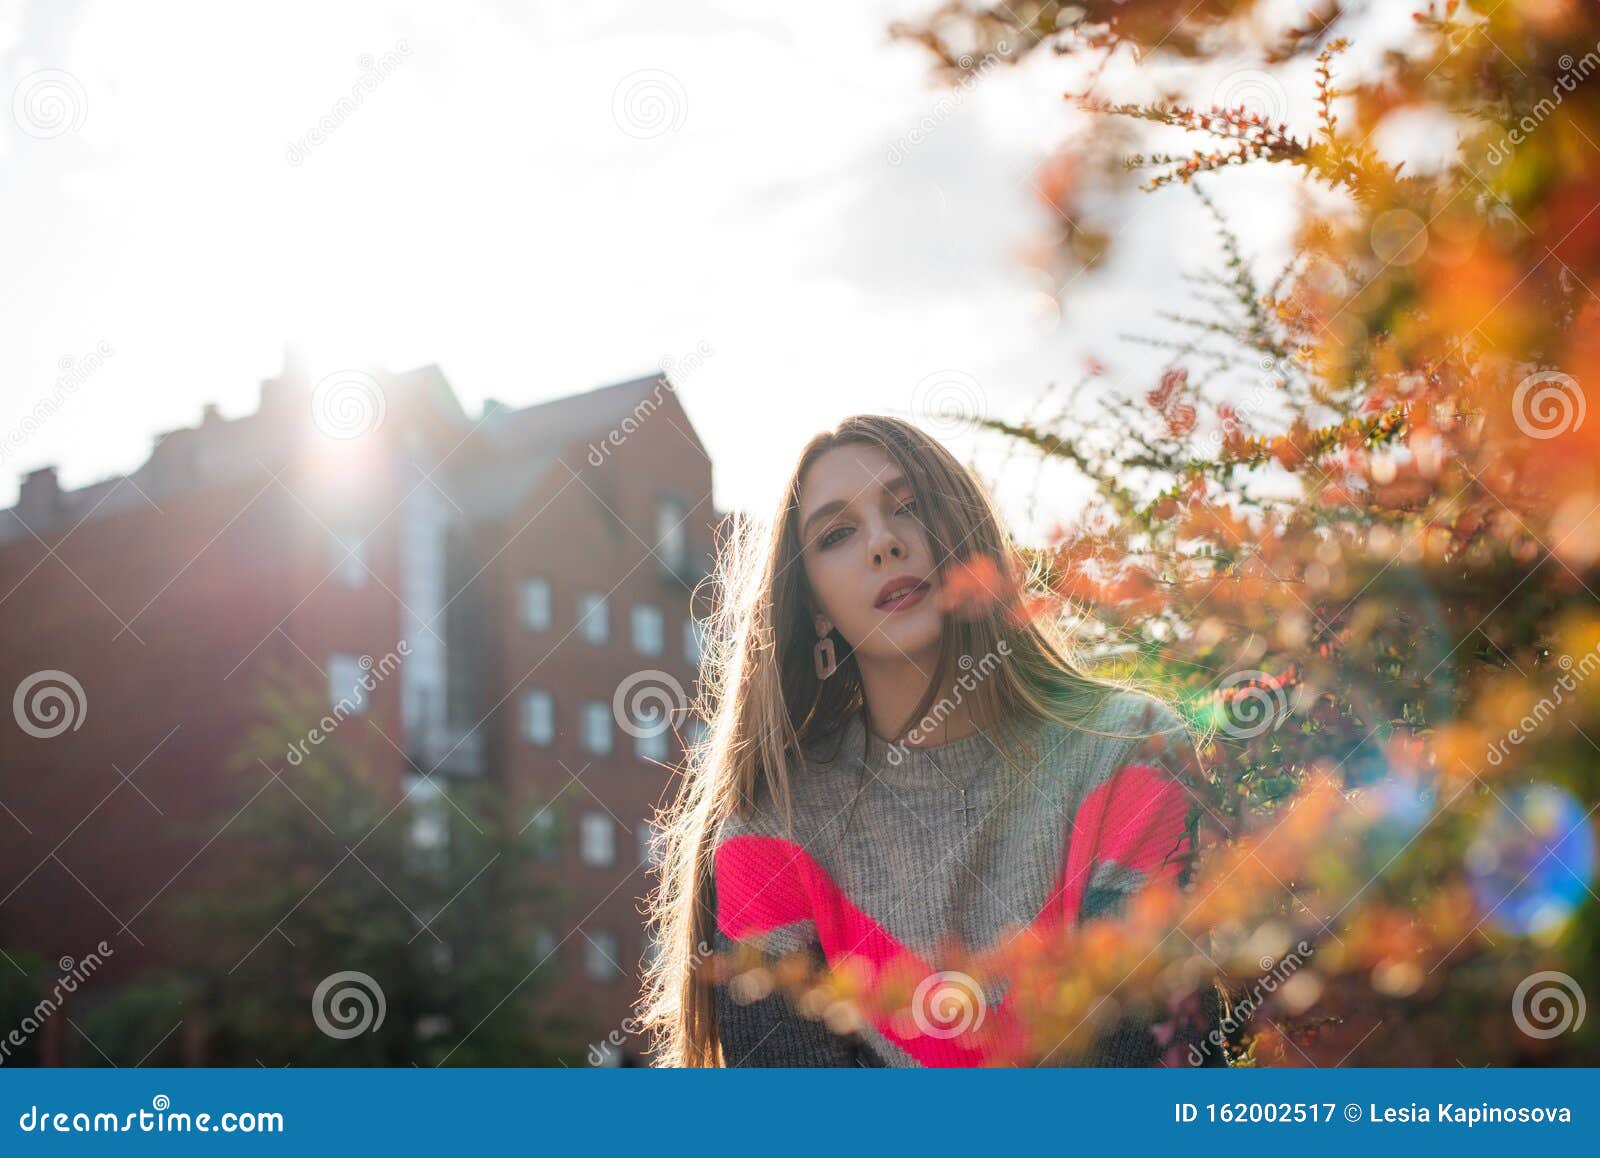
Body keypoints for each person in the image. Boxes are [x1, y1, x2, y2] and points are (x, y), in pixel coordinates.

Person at [639, 414, 1222, 1067]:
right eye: (837, 533)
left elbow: (1145, 1066)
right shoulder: (773, 827)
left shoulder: (1127, 751)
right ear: (814, 607)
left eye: (909, 507)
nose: (884, 544)